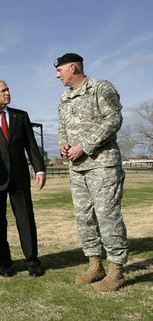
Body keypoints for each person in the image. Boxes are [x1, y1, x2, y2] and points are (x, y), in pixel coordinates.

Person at [55, 53, 128, 292]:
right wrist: (64, 145)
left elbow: (113, 119)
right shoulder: (64, 98)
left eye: (60, 71)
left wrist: (84, 146)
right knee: (84, 217)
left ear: (73, 68)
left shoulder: (100, 88)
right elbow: (62, 128)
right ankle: (95, 266)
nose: (57, 75)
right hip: (77, 169)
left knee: (107, 216)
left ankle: (117, 271)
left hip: (102, 164)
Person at [0, 80, 46, 278]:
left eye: (8, 89)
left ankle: (32, 262)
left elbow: (31, 145)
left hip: (19, 178)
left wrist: (40, 170)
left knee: (26, 220)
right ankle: (4, 263)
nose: (8, 92)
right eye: (3, 90)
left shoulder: (21, 116)